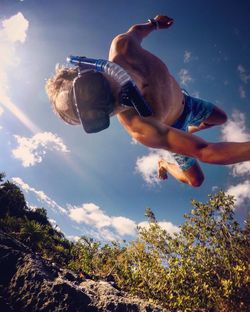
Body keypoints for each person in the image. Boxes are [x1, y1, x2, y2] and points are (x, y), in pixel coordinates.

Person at [45, 15, 250, 187]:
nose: (111, 102)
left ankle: (189, 131)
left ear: (89, 69)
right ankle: (165, 162)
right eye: (99, 113)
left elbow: (136, 31)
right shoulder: (140, 128)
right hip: (172, 126)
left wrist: (154, 23)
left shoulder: (124, 47)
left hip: (187, 103)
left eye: (93, 92)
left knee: (221, 118)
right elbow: (205, 151)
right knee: (197, 181)